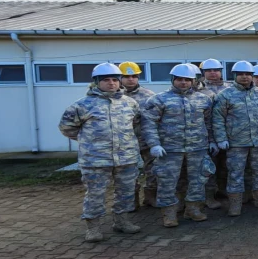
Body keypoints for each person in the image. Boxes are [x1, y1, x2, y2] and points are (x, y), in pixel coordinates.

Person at [59, 63, 144, 242]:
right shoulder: (82, 105)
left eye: (115, 79)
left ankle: (122, 221)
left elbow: (136, 124)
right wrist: (90, 142)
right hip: (96, 159)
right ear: (97, 82)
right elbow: (67, 128)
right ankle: (93, 228)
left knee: (126, 192)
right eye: (106, 80)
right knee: (95, 194)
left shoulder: (130, 103)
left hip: (126, 157)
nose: (111, 83)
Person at [142, 63, 217, 227]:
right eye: (179, 79)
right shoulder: (158, 99)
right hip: (170, 149)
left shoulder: (203, 99)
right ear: (173, 80)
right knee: (167, 182)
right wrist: (154, 144)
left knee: (198, 180)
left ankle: (193, 209)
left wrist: (212, 141)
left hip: (197, 148)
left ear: (193, 81)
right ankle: (169, 213)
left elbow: (209, 123)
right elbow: (149, 124)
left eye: (187, 80)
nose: (183, 82)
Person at [213, 61, 258, 215]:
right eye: (240, 74)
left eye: (247, 74)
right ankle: (235, 204)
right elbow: (218, 119)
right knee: (235, 173)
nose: (244, 77)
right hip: (236, 142)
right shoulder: (225, 95)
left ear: (252, 76)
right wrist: (221, 139)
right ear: (234, 76)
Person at [119, 61, 158, 209]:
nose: (131, 79)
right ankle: (132, 200)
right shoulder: (114, 96)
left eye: (134, 76)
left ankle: (150, 196)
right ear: (120, 77)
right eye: (126, 76)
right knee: (127, 172)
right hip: (124, 143)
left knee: (153, 169)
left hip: (146, 140)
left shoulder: (149, 95)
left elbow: (156, 117)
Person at [200, 59, 231, 209]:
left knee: (226, 165)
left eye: (216, 70)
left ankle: (223, 190)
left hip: (228, 133)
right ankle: (209, 196)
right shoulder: (198, 89)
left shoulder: (230, 88)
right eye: (209, 70)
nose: (213, 73)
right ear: (203, 73)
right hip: (206, 134)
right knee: (209, 167)